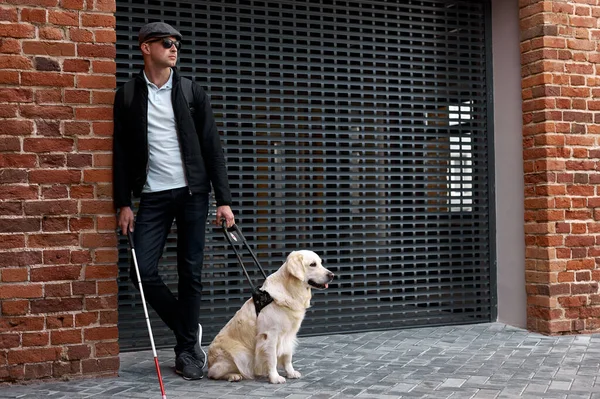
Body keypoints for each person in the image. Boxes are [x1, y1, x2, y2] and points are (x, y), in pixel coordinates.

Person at [112, 22, 235, 381]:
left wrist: (224, 201)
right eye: (166, 42)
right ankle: (188, 327)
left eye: (176, 42)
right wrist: (123, 202)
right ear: (145, 48)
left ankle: (186, 352)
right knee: (141, 272)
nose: (174, 47)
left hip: (193, 195)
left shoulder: (192, 92)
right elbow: (119, 154)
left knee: (189, 272)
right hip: (152, 196)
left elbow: (213, 150)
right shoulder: (129, 96)